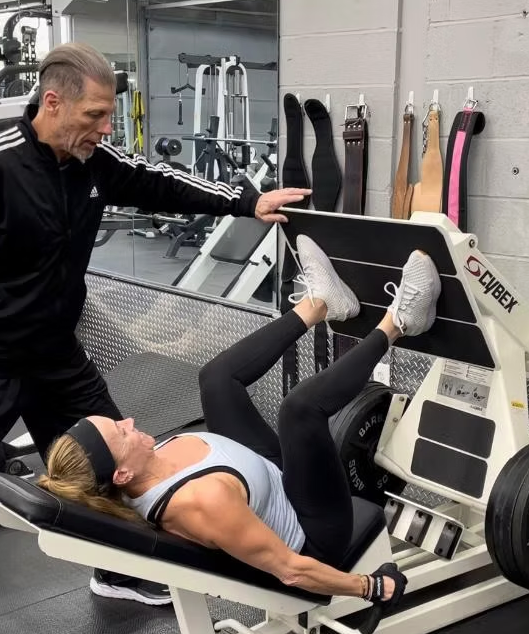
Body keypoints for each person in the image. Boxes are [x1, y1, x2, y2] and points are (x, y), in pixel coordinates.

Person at [0, 42, 310, 634]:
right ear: (52, 102)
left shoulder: (90, 160)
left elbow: (160, 183)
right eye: (94, 116)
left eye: (107, 116)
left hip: (56, 356)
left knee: (120, 469)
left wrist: (249, 201)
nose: (105, 129)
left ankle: (117, 572)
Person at [38, 235, 442, 604]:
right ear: (122, 475)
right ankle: (401, 322)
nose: (126, 421)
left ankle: (320, 304)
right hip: (313, 532)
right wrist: (372, 586)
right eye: (120, 434)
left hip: (264, 479)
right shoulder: (201, 502)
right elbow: (292, 571)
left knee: (215, 379)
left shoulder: (134, 471)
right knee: (299, 410)